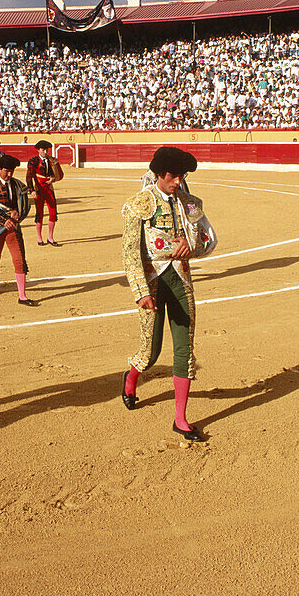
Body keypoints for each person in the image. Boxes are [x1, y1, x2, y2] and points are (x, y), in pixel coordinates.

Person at [120, 146, 206, 442]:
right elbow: (130, 252)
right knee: (151, 351)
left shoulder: (190, 204)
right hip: (152, 283)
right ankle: (131, 377)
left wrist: (190, 245)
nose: (178, 181)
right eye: (173, 176)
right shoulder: (138, 203)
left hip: (181, 280)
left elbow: (208, 239)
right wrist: (140, 291)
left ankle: (180, 418)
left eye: (182, 176)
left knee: (185, 348)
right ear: (159, 174)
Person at [0, 155, 37, 306]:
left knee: (20, 260)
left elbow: (24, 204)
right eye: (7, 171)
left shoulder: (17, 184)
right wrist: (5, 218)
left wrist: (18, 214)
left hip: (13, 226)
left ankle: (22, 296)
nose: (9, 174)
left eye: (12, 171)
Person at [25, 140, 63, 246]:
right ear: (38, 150)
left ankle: (50, 237)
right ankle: (39, 237)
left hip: (49, 187)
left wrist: (53, 179)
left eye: (46, 150)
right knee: (39, 212)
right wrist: (31, 190)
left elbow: (58, 175)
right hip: (39, 188)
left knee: (53, 211)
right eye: (43, 150)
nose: (45, 152)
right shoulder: (33, 161)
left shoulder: (51, 161)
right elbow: (29, 176)